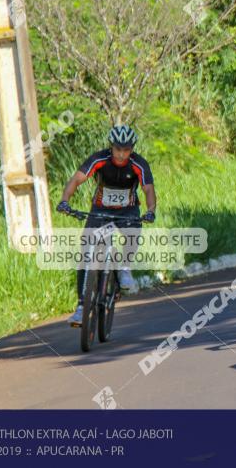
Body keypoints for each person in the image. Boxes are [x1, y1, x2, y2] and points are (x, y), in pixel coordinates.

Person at [56, 125, 157, 326]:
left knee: (133, 231)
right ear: (111, 147)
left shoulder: (139, 164)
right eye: (118, 149)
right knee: (86, 255)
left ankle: (125, 268)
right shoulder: (99, 159)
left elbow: (148, 190)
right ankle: (81, 307)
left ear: (132, 148)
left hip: (127, 211)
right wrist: (65, 201)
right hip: (100, 210)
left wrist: (151, 210)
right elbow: (76, 180)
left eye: (126, 149)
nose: (121, 154)